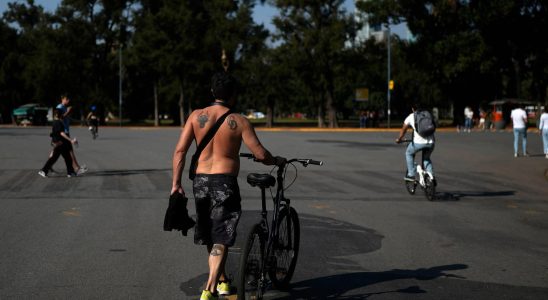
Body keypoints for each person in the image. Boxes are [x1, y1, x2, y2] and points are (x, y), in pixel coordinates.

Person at [171, 72, 285, 300]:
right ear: (233, 95)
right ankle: (209, 288)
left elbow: (180, 151)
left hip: (200, 181)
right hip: (224, 182)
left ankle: (222, 281)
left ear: (213, 92)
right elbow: (261, 154)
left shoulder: (195, 116)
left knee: (211, 234)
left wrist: (176, 184)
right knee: (222, 236)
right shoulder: (239, 121)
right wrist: (276, 160)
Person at [395, 104, 435, 183]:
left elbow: (404, 130)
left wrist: (399, 139)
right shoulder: (428, 114)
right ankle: (431, 178)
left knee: (408, 153)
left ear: (413, 108)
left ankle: (411, 174)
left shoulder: (411, 116)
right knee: (426, 159)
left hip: (418, 143)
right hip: (431, 142)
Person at [38, 109, 78, 177]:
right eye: (62, 114)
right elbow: (61, 133)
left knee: (60, 158)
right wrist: (71, 140)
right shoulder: (58, 122)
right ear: (59, 115)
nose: (63, 115)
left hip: (57, 142)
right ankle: (70, 172)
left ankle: (70, 172)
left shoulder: (56, 122)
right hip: (59, 143)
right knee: (66, 158)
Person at [55, 95, 87, 174]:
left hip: (65, 130)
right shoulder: (59, 107)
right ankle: (77, 168)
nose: (68, 101)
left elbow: (67, 118)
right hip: (63, 131)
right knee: (70, 150)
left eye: (69, 99)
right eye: (67, 99)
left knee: (56, 150)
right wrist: (67, 112)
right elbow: (59, 118)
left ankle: (47, 167)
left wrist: (80, 121)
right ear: (62, 99)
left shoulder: (64, 107)